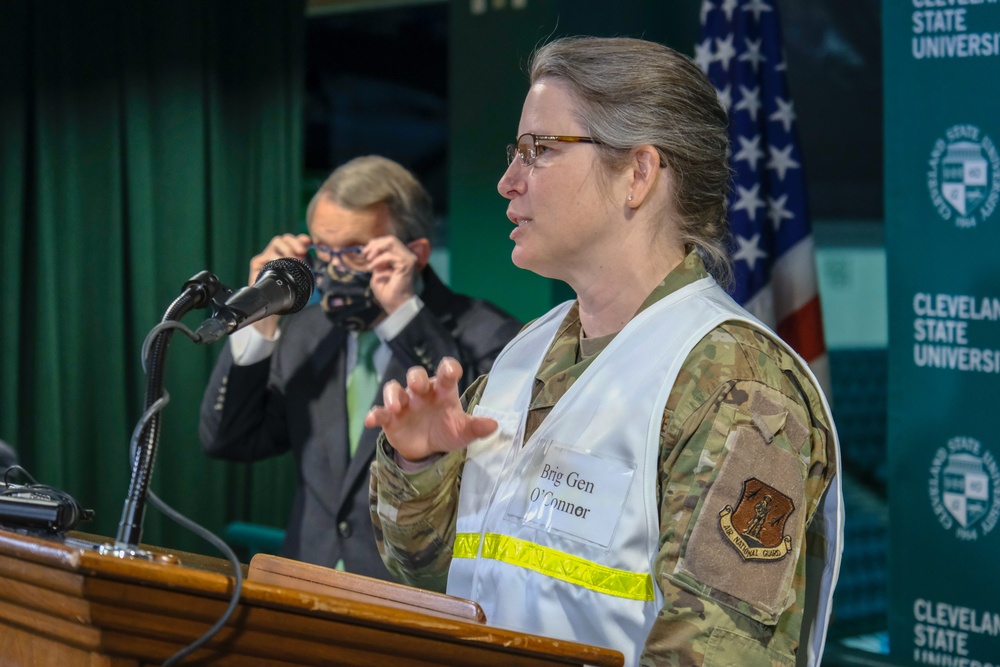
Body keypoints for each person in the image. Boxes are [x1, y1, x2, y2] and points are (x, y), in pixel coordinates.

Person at [367, 37, 843, 667]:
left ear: (639, 173)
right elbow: (427, 576)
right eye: (516, 153)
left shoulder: (737, 382)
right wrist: (419, 461)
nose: (508, 182)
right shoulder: (526, 354)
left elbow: (718, 656)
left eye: (539, 150)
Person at [199, 155, 522, 579]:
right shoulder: (307, 333)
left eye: (353, 251)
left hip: (411, 589)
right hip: (305, 580)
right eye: (322, 250)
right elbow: (231, 438)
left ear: (417, 254)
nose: (333, 269)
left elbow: (465, 443)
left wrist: (402, 316)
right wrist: (261, 317)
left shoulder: (492, 334)